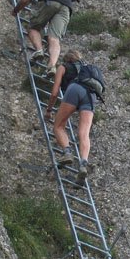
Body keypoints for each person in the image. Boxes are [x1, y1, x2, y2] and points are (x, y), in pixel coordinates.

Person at [44, 49, 102, 184]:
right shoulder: (85, 69)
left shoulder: (63, 67)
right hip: (91, 95)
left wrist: (49, 110)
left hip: (74, 90)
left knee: (58, 126)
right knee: (84, 133)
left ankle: (67, 153)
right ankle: (83, 163)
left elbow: (55, 92)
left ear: (66, 59)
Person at [10, 0, 75, 74]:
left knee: (33, 27)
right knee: (54, 38)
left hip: (49, 2)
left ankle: (39, 50)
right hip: (66, 7)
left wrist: (16, 10)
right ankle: (52, 66)